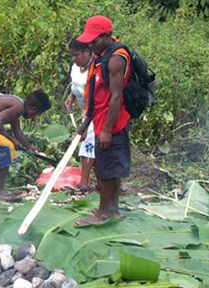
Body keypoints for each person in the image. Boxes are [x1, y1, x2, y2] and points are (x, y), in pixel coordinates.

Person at [74, 15, 131, 226]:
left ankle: (102, 213)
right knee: (109, 167)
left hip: (112, 123)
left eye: (95, 39)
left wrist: (107, 129)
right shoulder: (103, 55)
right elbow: (94, 95)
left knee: (106, 170)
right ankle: (113, 209)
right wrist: (85, 124)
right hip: (99, 120)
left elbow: (116, 96)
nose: (91, 43)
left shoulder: (116, 58)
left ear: (106, 35)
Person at [65, 37, 98, 196]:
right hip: (84, 111)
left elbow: (94, 97)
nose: (74, 59)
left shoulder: (96, 69)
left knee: (88, 144)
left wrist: (85, 124)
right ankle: (99, 181)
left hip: (95, 113)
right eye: (72, 55)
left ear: (87, 52)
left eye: (77, 55)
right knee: (90, 144)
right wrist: (71, 96)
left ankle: (84, 183)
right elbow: (76, 85)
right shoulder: (75, 67)